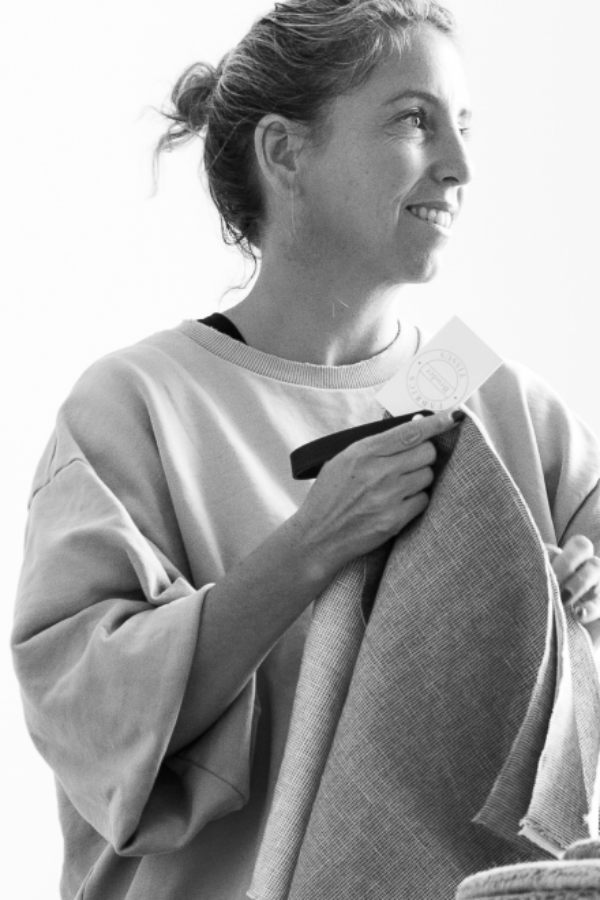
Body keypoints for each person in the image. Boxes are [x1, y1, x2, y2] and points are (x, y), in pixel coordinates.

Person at [11, 1, 600, 899]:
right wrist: (311, 544)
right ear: (286, 152)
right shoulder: (137, 405)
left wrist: (573, 624)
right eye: (414, 120)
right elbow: (91, 721)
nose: (462, 165)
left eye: (465, 126)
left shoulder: (500, 400)